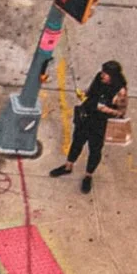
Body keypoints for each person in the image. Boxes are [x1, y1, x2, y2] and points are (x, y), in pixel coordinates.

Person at [50, 57, 128, 191]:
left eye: (106, 74)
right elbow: (92, 90)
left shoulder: (120, 92)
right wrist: (85, 93)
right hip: (86, 116)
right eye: (102, 72)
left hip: (100, 124)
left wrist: (105, 109)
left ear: (113, 76)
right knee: (77, 142)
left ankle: (88, 175)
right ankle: (68, 166)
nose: (102, 75)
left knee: (95, 150)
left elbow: (120, 112)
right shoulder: (99, 77)